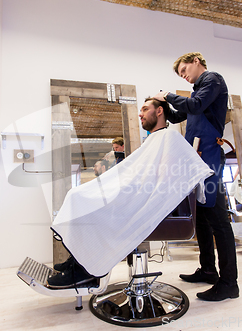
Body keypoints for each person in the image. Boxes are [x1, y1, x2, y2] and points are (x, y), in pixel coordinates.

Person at [47, 98, 213, 288]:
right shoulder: (153, 139)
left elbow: (173, 176)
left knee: (89, 203)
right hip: (140, 194)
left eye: (144, 109)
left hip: (152, 203)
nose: (140, 114)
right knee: (78, 196)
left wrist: (133, 189)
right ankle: (79, 259)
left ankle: (83, 269)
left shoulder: (170, 137)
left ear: (159, 111)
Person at [154, 52, 239, 301]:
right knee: (200, 217)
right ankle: (208, 270)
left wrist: (168, 95)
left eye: (183, 70)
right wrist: (161, 107)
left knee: (218, 222)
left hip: (209, 160)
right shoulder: (196, 94)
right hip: (195, 160)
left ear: (196, 61)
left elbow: (194, 106)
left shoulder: (213, 80)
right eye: (180, 75)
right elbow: (180, 114)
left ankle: (229, 283)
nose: (184, 76)